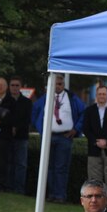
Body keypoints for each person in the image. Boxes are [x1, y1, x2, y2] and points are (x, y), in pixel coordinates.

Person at [31, 74, 84, 203]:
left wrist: (76, 129)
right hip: (49, 137)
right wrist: (41, 128)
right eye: (55, 84)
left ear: (63, 85)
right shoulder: (46, 98)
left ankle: (60, 195)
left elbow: (83, 112)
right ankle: (51, 194)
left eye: (60, 84)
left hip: (65, 137)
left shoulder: (71, 98)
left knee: (61, 167)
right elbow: (34, 112)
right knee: (48, 167)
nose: (57, 86)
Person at [82, 84, 107, 209]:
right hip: (94, 150)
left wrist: (106, 141)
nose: (102, 96)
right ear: (96, 95)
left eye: (104, 94)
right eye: (99, 94)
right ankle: (97, 205)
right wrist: (96, 141)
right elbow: (86, 128)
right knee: (95, 181)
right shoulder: (89, 110)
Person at [0, 76, 32, 194]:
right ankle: (8, 186)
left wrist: (16, 127)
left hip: (22, 137)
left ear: (21, 87)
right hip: (6, 136)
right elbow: (1, 116)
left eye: (17, 85)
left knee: (21, 164)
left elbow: (27, 119)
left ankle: (19, 189)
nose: (14, 87)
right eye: (12, 85)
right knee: (8, 162)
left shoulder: (27, 102)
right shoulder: (5, 101)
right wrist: (10, 127)